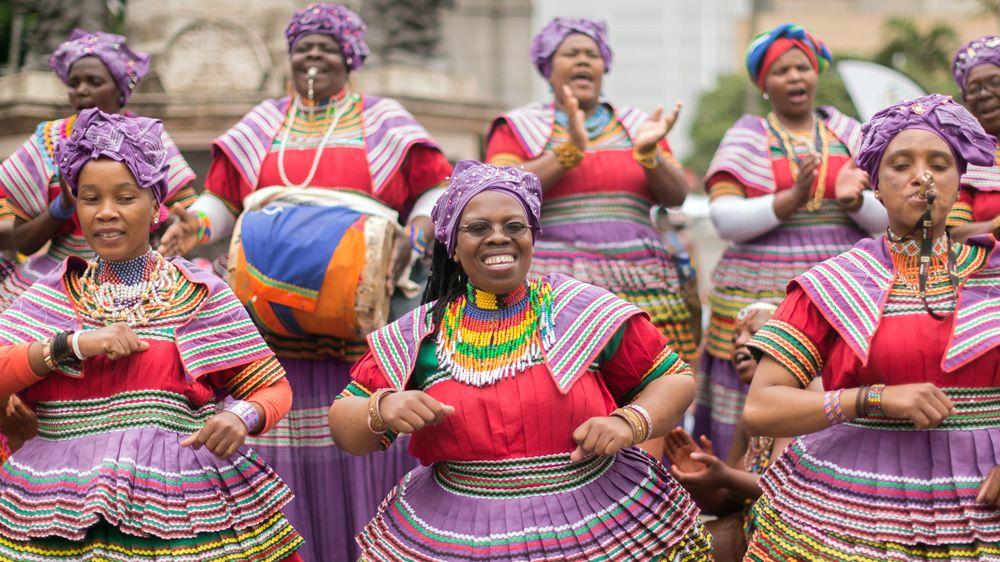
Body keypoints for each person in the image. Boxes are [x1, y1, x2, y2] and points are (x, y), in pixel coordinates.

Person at [157, 3, 452, 559]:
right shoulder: (264, 122)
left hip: (358, 324)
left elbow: (434, 187)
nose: (313, 54)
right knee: (280, 436)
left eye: (326, 45)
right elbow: (222, 199)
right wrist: (192, 227)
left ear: (349, 56)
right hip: (273, 329)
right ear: (290, 57)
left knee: (361, 427)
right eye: (304, 46)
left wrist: (420, 224)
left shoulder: (383, 119)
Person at [328, 160, 713, 561]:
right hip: (459, 531)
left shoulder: (582, 310)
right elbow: (345, 422)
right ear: (453, 248)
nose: (499, 238)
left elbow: (673, 378)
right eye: (479, 228)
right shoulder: (419, 333)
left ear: (532, 237)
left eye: (514, 227)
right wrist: (384, 407)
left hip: (595, 521)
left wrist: (628, 422)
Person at [0, 108, 302, 560]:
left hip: (179, 504)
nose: (105, 213)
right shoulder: (52, 292)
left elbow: (270, 387)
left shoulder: (198, 292)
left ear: (156, 204)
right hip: (56, 504)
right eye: (89, 199)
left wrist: (243, 417)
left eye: (124, 198)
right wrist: (74, 344)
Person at [742, 93, 1000, 560]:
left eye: (939, 164)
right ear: (876, 186)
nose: (922, 177)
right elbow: (762, 407)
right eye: (901, 164)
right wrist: (874, 398)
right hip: (859, 500)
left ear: (959, 182)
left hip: (987, 493)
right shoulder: (833, 282)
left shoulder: (993, 271)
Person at [696, 23, 888, 459]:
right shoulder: (748, 135)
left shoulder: (850, 132)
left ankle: (835, 481)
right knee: (757, 378)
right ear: (764, 83)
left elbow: (887, 216)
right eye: (782, 70)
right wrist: (790, 199)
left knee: (840, 376)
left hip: (844, 284)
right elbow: (724, 218)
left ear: (817, 73)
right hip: (758, 286)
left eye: (802, 67)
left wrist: (854, 199)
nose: (795, 77)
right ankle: (741, 490)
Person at [484, 18, 697, 375]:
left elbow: (676, 196)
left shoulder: (637, 125)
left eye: (592, 54)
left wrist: (648, 153)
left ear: (604, 67)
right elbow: (498, 192)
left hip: (639, 283)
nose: (583, 61)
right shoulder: (518, 127)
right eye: (571, 54)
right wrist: (571, 151)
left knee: (644, 382)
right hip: (555, 286)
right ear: (548, 68)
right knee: (562, 383)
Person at [0, 29, 196, 312]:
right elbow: (25, 243)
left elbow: (181, 216)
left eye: (94, 81)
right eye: (74, 82)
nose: (81, 90)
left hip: (140, 280)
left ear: (120, 91)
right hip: (59, 279)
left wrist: (168, 221)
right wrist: (63, 206)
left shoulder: (150, 138)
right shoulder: (47, 140)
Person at [666, 302, 798, 561]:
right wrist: (703, 478)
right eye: (736, 336)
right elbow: (727, 503)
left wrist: (724, 475)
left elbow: (780, 489)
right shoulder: (749, 417)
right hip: (751, 531)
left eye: (752, 331)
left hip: (793, 541)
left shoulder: (801, 397)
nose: (740, 342)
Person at [949, 35, 1000, 241]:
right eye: (974, 89)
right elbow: (952, 234)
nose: (984, 94)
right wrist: (996, 226)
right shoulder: (965, 159)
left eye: (995, 82)